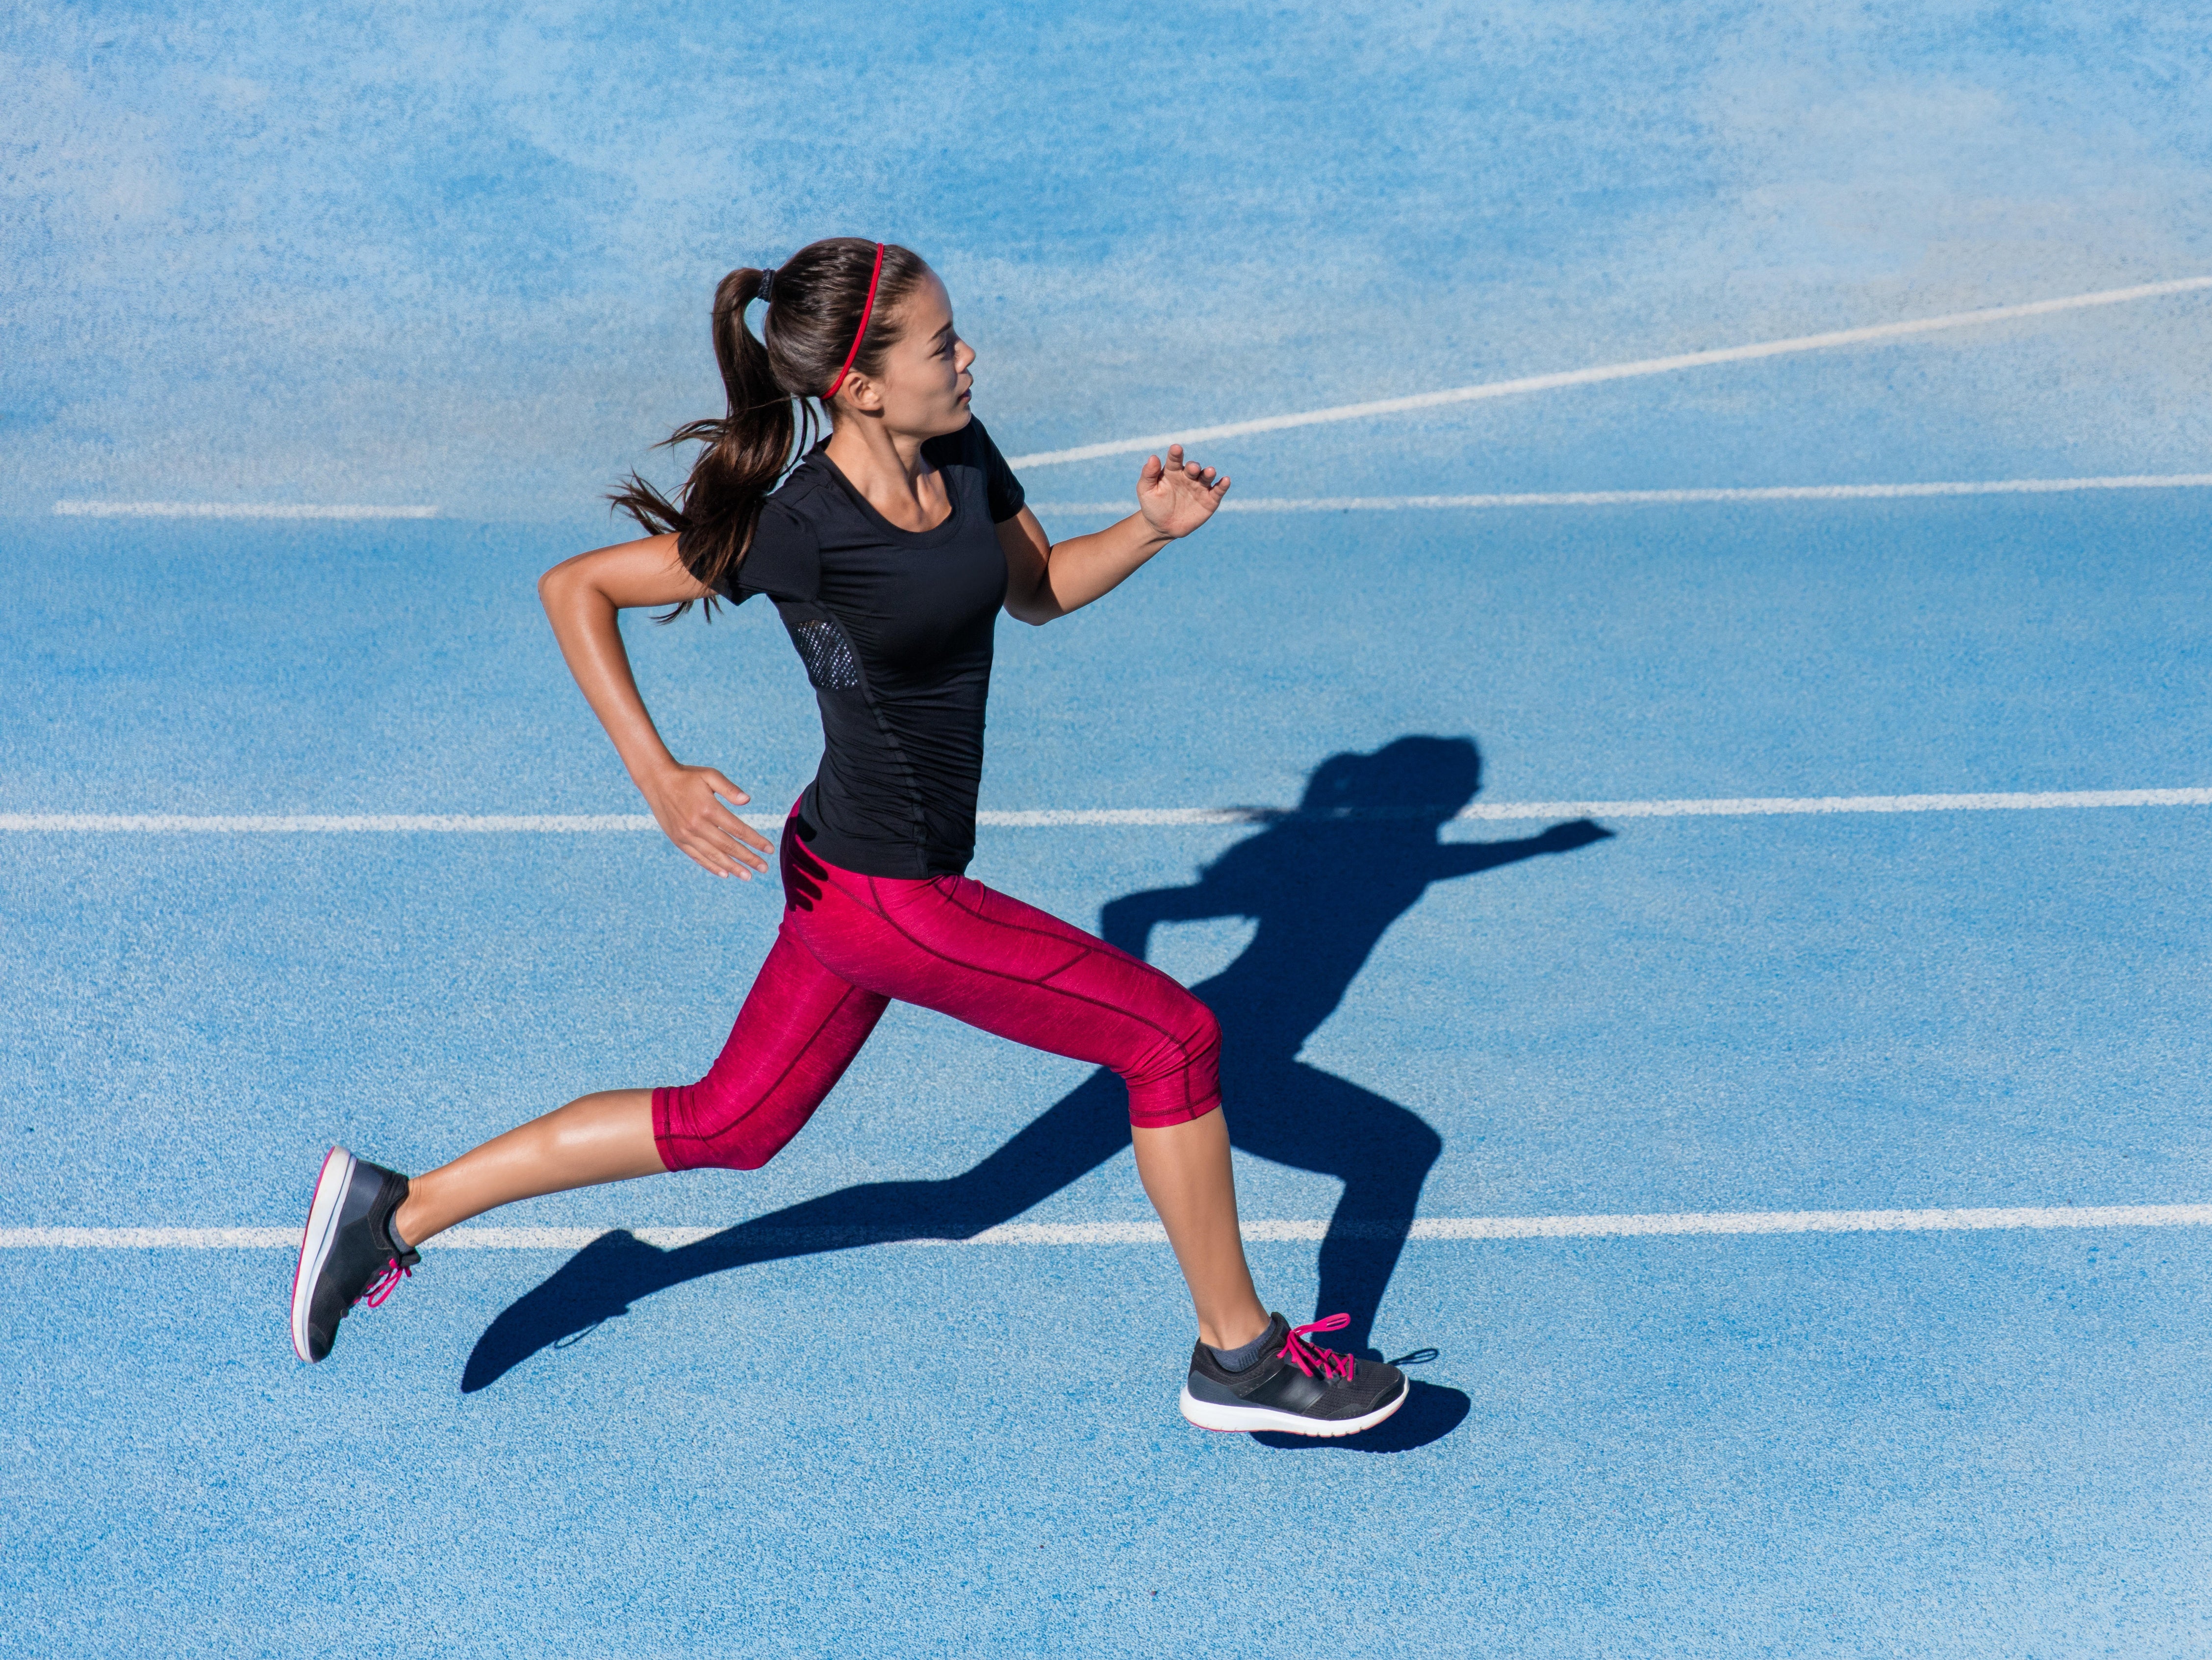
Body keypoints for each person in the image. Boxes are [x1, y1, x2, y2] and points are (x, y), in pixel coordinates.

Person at [288, 236, 1407, 1438]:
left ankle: (395, 1211)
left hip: (842, 883)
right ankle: (1238, 1357)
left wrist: (1149, 529)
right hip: (886, 897)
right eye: (942, 344)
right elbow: (579, 586)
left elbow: (1035, 589)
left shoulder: (964, 450)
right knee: (1174, 1040)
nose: (969, 355)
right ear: (862, 386)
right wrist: (657, 776)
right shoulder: (803, 527)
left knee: (731, 1123)